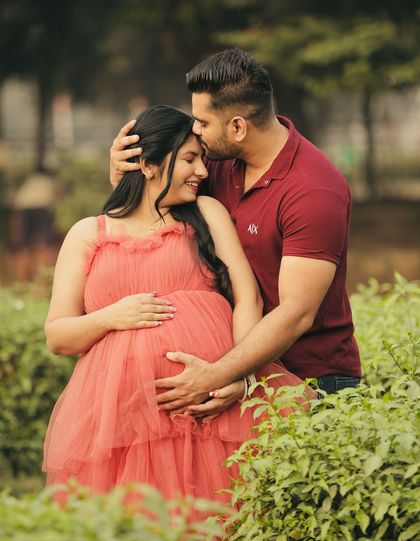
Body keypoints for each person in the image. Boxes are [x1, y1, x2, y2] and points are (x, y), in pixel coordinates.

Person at [43, 105, 303, 501]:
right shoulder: (87, 234)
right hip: (124, 419)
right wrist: (112, 316)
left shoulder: (205, 213)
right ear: (148, 165)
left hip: (214, 404)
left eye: (202, 158)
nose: (202, 171)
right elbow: (58, 336)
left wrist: (237, 375)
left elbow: (246, 296)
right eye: (189, 159)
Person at [109, 48, 362, 417]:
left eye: (202, 122)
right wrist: (125, 174)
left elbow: (295, 313)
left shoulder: (314, 191)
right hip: (235, 370)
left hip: (312, 382)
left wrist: (222, 375)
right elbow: (156, 215)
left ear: (238, 127)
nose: (194, 131)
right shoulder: (216, 165)